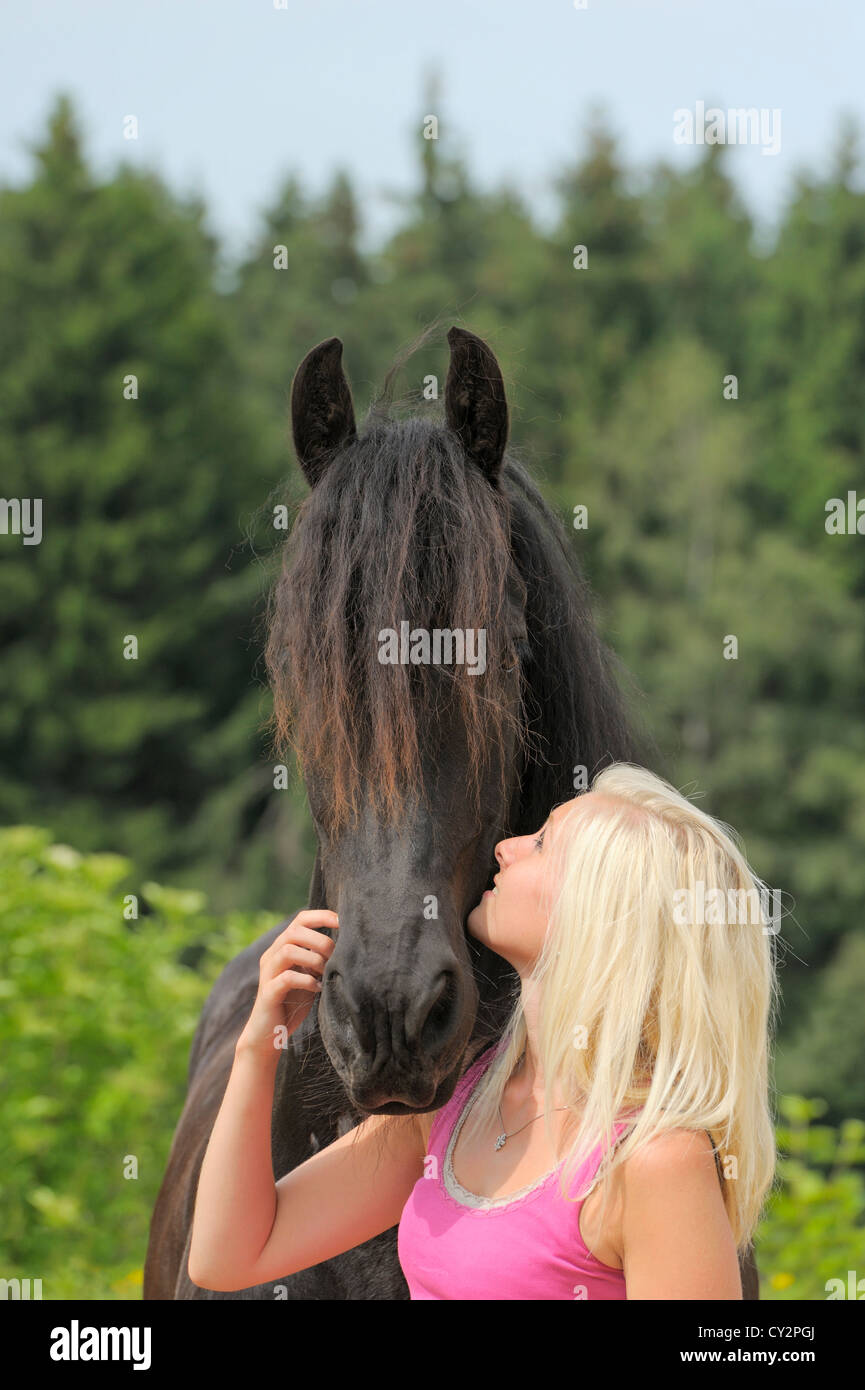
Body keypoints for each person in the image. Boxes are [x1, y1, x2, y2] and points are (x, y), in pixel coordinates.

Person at [188, 762, 778, 1299]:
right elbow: (229, 1257)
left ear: (603, 912)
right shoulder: (458, 1107)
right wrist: (257, 1048)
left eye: (544, 844)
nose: (506, 847)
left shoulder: (655, 1161)